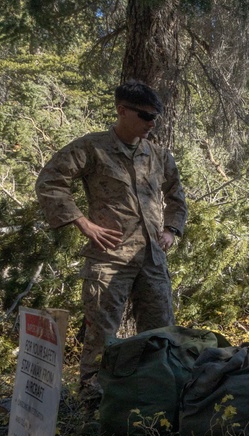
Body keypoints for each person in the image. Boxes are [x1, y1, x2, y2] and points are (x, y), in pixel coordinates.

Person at [36, 80, 187, 397]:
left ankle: (157, 399)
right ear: (122, 110)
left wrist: (172, 229)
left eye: (155, 117)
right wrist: (82, 222)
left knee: (162, 334)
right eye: (145, 116)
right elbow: (50, 180)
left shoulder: (159, 156)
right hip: (108, 259)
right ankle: (93, 405)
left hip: (152, 260)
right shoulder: (92, 148)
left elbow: (177, 198)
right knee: (101, 336)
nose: (151, 123)